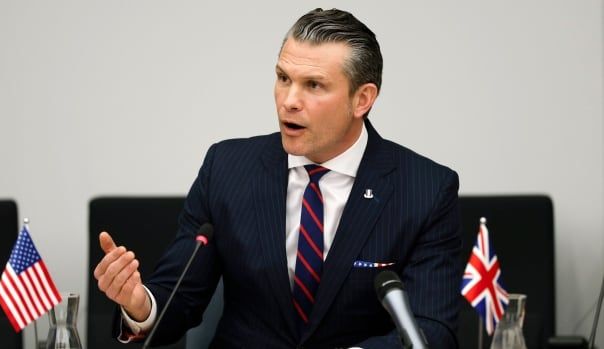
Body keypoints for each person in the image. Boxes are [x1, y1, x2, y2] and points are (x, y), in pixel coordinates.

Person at [93, 8, 462, 348]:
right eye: (283, 78)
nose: (289, 100)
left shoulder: (425, 189)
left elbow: (430, 329)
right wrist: (141, 306)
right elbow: (181, 297)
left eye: (313, 85)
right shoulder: (227, 167)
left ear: (362, 99)